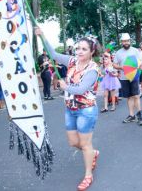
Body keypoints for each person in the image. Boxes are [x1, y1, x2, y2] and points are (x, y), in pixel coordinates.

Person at [35, 27, 100, 191]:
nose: (79, 51)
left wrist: (66, 87)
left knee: (85, 145)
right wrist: (42, 35)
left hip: (86, 110)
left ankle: (88, 175)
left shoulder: (93, 69)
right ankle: (92, 152)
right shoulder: (72, 61)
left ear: (92, 51)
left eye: (84, 49)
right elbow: (54, 55)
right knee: (73, 142)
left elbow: (81, 89)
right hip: (70, 108)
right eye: (78, 48)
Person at [113, 33, 142, 124]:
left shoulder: (135, 51)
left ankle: (139, 115)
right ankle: (131, 115)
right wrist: (121, 68)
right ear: (122, 42)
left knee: (136, 96)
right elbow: (114, 64)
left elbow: (140, 63)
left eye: (127, 41)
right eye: (124, 41)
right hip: (124, 77)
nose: (126, 42)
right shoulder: (118, 52)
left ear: (130, 41)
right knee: (129, 97)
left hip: (134, 77)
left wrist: (138, 73)